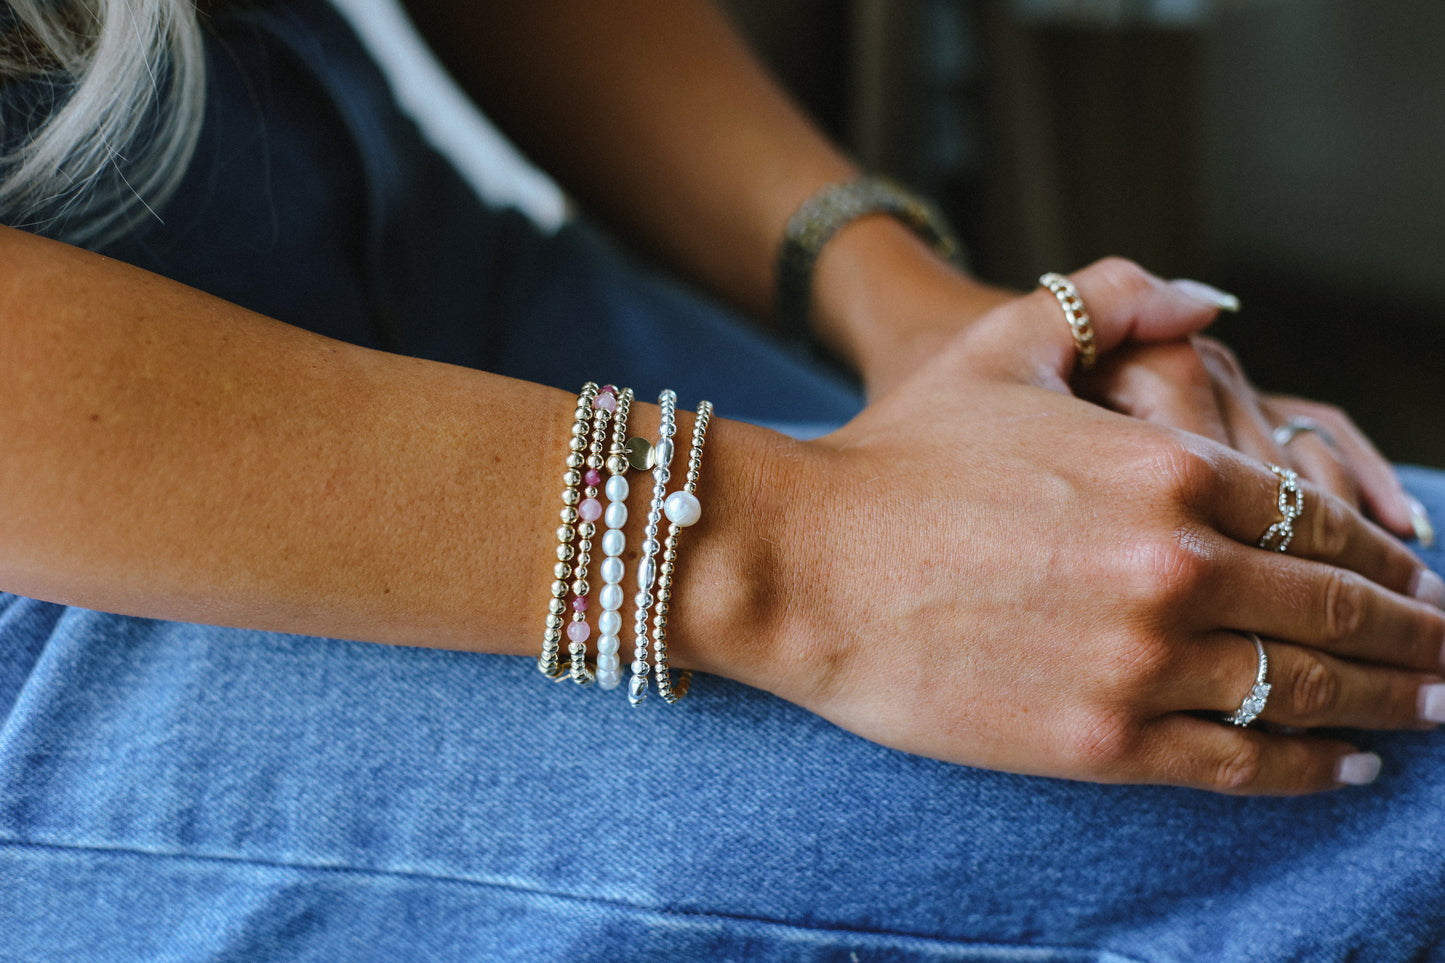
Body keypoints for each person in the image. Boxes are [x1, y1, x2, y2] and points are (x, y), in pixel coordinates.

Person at [1, 0, 1442, 958]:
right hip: (72, 529)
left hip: (407, 244)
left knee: (1321, 567)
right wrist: (789, 558)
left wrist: (913, 316)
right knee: (1390, 811)